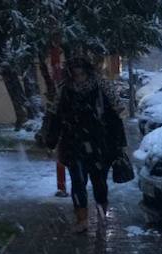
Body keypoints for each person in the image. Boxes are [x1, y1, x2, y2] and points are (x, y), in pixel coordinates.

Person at [43, 57, 126, 233]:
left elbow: (117, 114)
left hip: (100, 144)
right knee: (78, 182)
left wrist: (117, 143)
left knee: (99, 182)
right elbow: (55, 115)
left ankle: (102, 214)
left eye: (81, 73)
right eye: (75, 73)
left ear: (88, 72)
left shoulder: (102, 87)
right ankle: (82, 219)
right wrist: (51, 139)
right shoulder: (64, 90)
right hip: (73, 143)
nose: (78, 77)